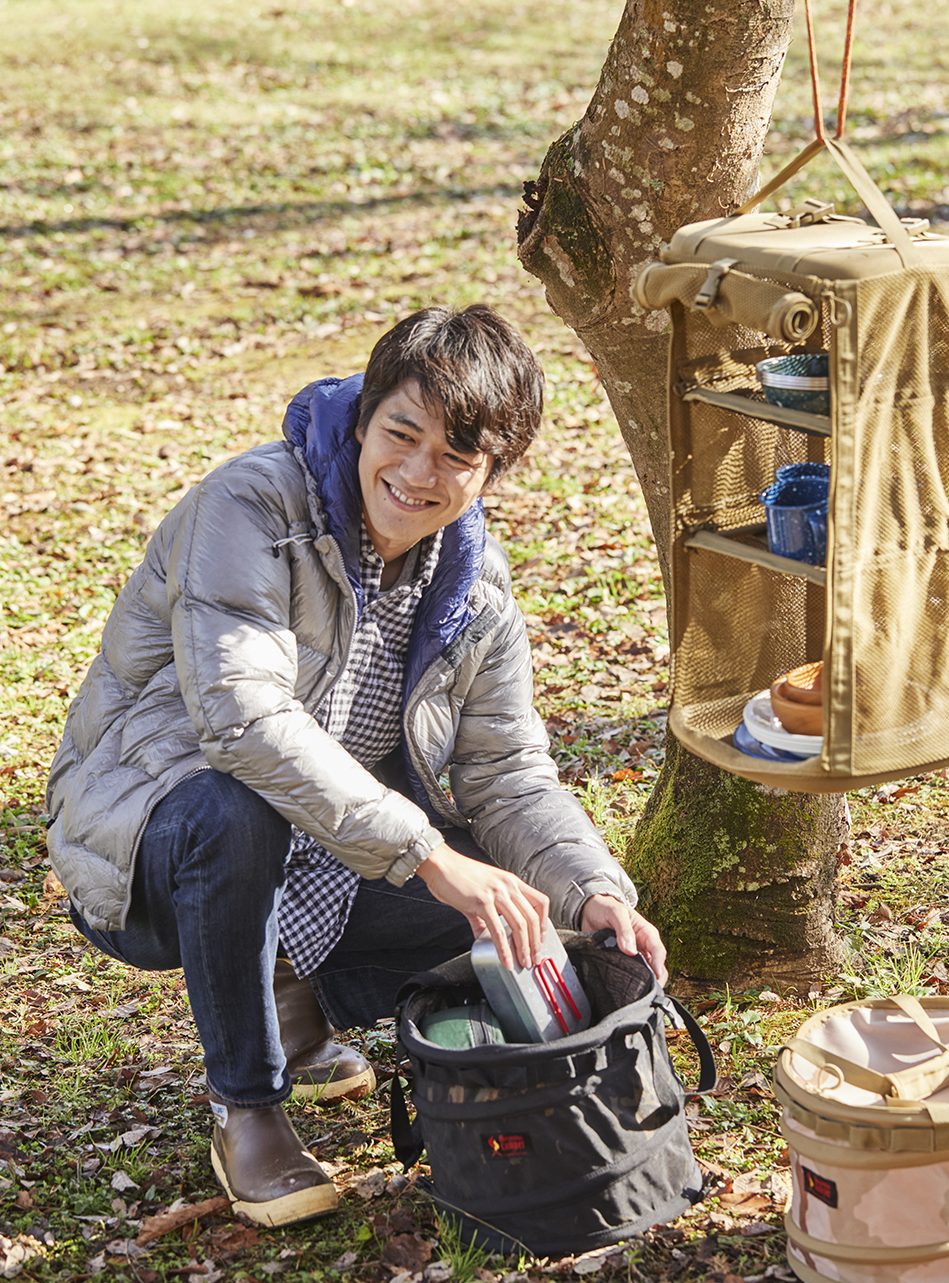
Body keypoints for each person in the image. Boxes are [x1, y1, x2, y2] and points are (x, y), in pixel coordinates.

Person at [46, 304, 667, 1229]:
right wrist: (429, 853)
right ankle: (247, 1108)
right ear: (366, 416)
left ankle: (288, 989)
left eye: (456, 457)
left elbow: (507, 770)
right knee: (236, 811)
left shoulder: (473, 585)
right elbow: (243, 722)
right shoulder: (249, 507)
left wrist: (590, 890)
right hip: (152, 839)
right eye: (401, 434)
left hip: (333, 847)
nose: (418, 474)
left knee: (516, 913)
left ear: (492, 471)